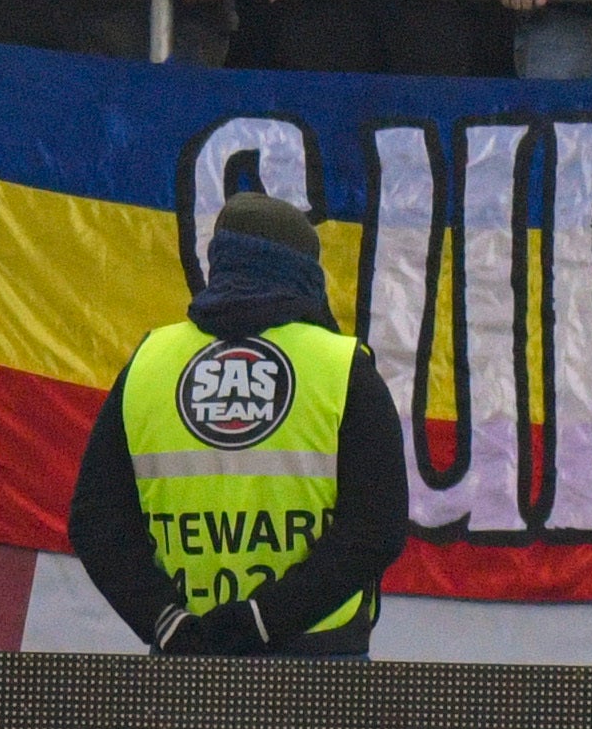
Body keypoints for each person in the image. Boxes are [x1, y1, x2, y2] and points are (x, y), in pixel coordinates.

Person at [70, 190, 411, 655]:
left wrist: (167, 622)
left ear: (220, 261)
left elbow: (97, 522)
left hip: (187, 658)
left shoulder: (150, 364)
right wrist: (263, 620)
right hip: (318, 661)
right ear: (306, 271)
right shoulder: (342, 367)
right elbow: (376, 526)